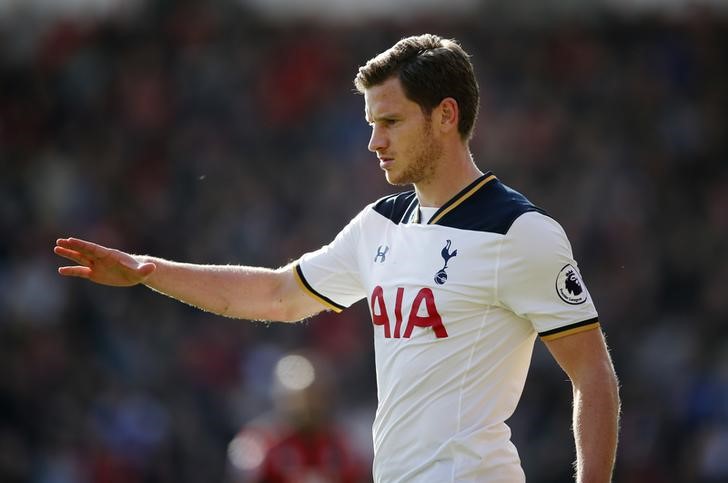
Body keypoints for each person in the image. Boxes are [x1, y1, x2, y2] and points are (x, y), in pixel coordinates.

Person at [55, 34, 620, 482]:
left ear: (446, 116)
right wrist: (150, 272)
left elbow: (592, 374)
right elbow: (279, 295)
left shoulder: (519, 232)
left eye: (391, 122)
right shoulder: (380, 224)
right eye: (372, 124)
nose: (375, 141)